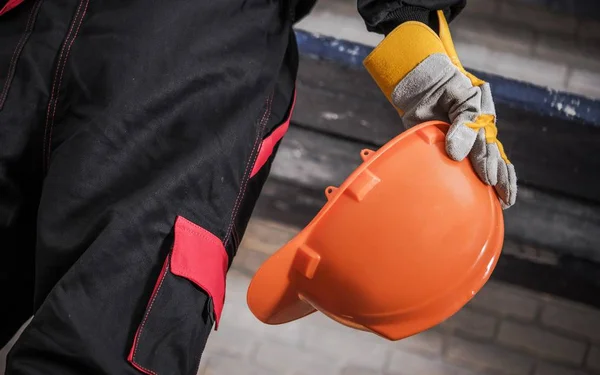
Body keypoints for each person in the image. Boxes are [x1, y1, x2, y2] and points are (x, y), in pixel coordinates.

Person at [0, 0, 516, 373]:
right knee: (100, 346)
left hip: (103, 35)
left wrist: (416, 41)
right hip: (195, 50)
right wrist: (415, 31)